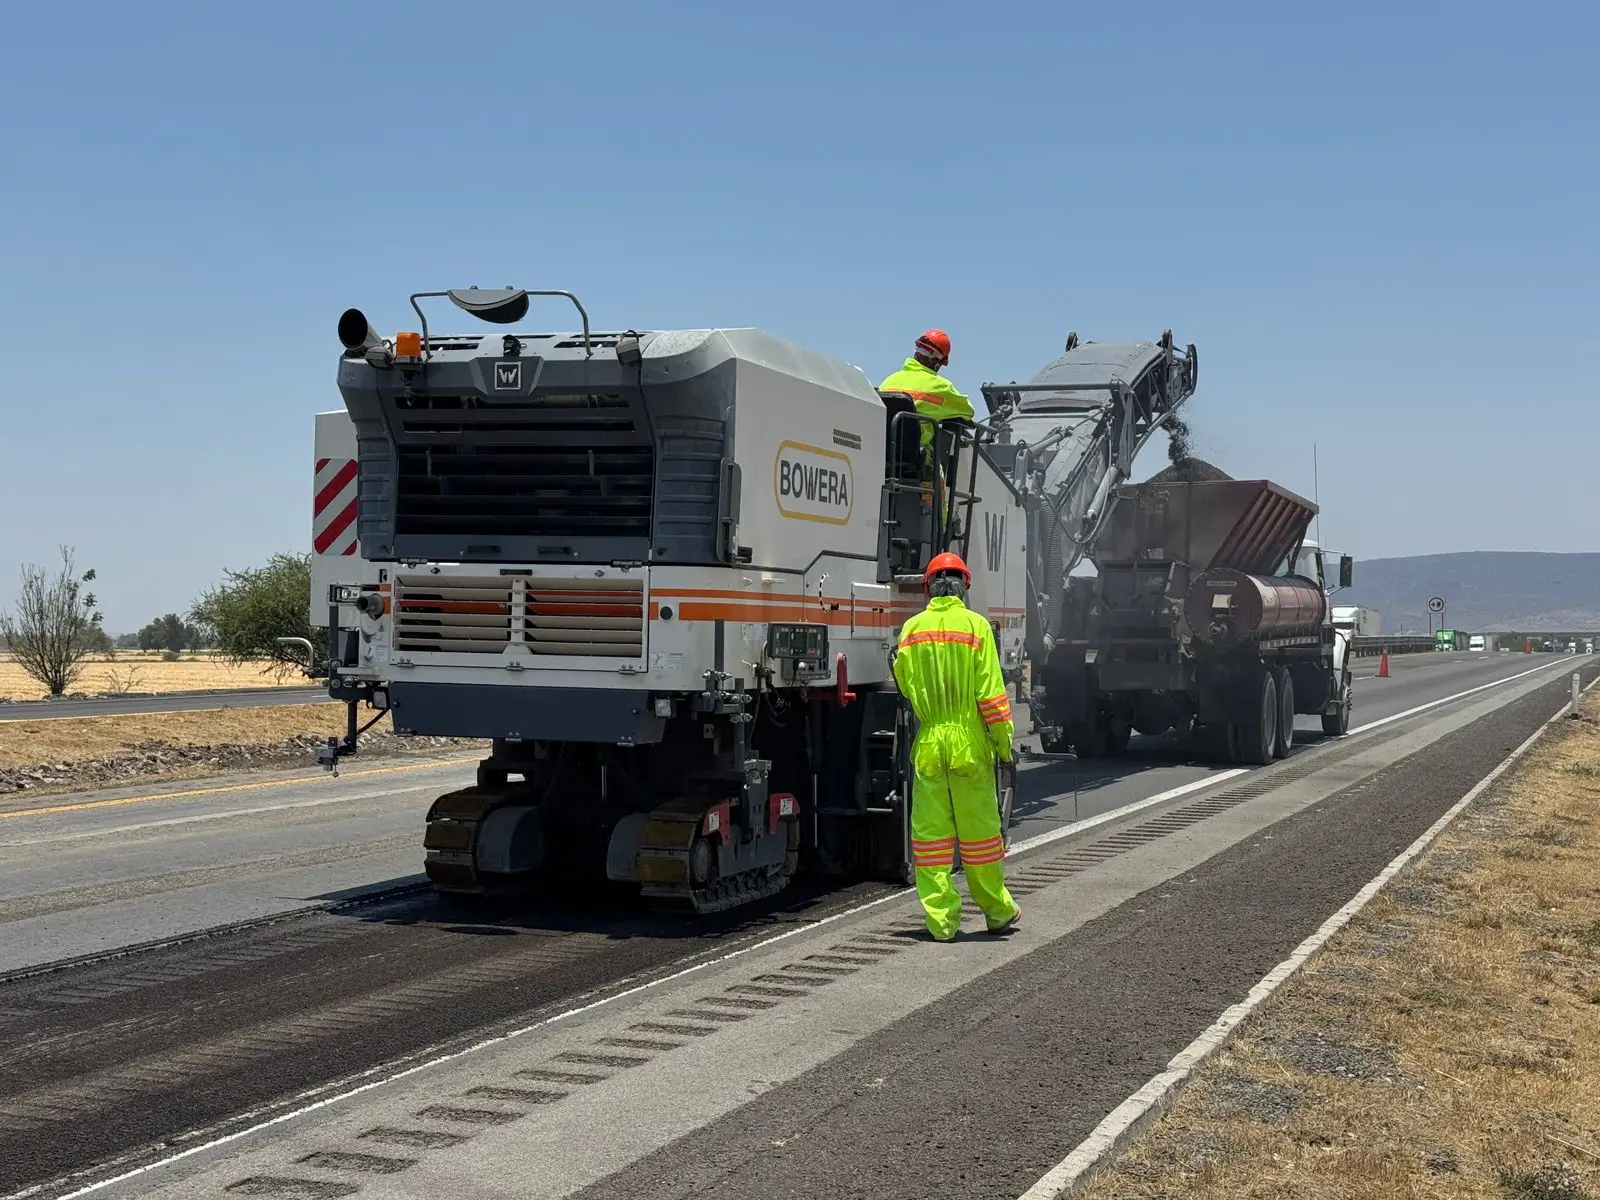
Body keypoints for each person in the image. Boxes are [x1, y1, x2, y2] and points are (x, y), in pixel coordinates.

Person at [891, 551, 1021, 942]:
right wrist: (1004, 747)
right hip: (969, 744)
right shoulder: (977, 627)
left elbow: (904, 687)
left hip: (930, 742)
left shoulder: (911, 631)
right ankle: (997, 912)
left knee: (930, 840)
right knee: (981, 836)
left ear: (928, 587)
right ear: (965, 585)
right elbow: (992, 698)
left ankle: (942, 922)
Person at [877, 329, 975, 455]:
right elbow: (968, 411)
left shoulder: (888, 381)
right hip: (915, 460)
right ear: (936, 361)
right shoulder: (941, 387)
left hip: (881, 456)